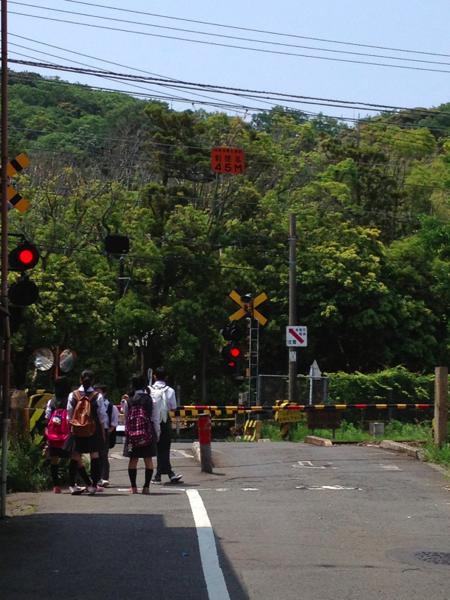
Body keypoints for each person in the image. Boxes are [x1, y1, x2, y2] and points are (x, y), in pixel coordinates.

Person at [67, 369, 108, 495]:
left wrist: (71, 429)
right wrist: (103, 432)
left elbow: (69, 414)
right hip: (93, 429)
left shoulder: (73, 395)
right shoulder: (97, 396)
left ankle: (72, 485)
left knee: (75, 456)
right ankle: (93, 486)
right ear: (93, 381)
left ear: (80, 380)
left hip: (77, 429)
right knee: (94, 455)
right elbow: (102, 416)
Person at [123, 374, 160, 494]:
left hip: (131, 437)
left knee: (133, 459)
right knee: (148, 459)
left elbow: (126, 419)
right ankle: (146, 487)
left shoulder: (128, 400)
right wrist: (157, 433)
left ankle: (133, 487)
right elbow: (155, 419)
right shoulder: (151, 400)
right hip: (147, 434)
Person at [149, 367, 183, 484]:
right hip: (164, 420)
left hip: (152, 421)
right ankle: (163, 475)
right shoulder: (170, 390)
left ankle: (163, 474)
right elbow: (173, 407)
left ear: (154, 376)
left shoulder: (149, 389)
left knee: (158, 448)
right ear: (166, 377)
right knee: (165, 448)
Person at [94, 383, 119, 488]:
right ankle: (96, 478)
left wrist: (108, 432)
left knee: (103, 455)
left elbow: (114, 422)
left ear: (104, 393)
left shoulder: (111, 406)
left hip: (105, 431)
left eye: (98, 391)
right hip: (94, 431)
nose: (96, 394)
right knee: (95, 455)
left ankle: (104, 477)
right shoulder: (93, 403)